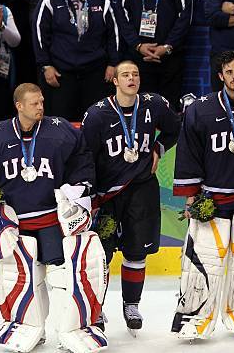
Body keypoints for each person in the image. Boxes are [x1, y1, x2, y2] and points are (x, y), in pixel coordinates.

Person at [0, 83, 107, 353]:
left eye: (42, 102)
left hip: (51, 220)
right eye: (34, 103)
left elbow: (81, 159)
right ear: (19, 106)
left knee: (63, 277)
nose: (40, 107)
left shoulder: (60, 130)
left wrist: (77, 190)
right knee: (25, 278)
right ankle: (31, 329)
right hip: (15, 224)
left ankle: (71, 329)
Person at [171, 51, 234, 339]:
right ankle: (193, 316)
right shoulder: (200, 110)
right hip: (211, 199)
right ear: (220, 76)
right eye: (229, 72)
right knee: (200, 264)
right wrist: (191, 197)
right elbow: (189, 153)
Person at [81, 60, 180, 334]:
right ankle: (96, 308)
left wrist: (159, 147)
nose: (131, 78)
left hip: (142, 188)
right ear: (115, 80)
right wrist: (87, 195)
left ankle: (131, 305)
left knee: (137, 250)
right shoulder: (98, 114)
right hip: (108, 194)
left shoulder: (154, 104)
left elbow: (174, 128)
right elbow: (85, 155)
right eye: (125, 74)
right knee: (101, 253)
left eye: (135, 74)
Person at [34, 0, 120, 121]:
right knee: (62, 121)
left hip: (95, 71)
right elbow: (39, 34)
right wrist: (46, 65)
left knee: (95, 119)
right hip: (62, 73)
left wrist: (113, 63)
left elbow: (113, 32)